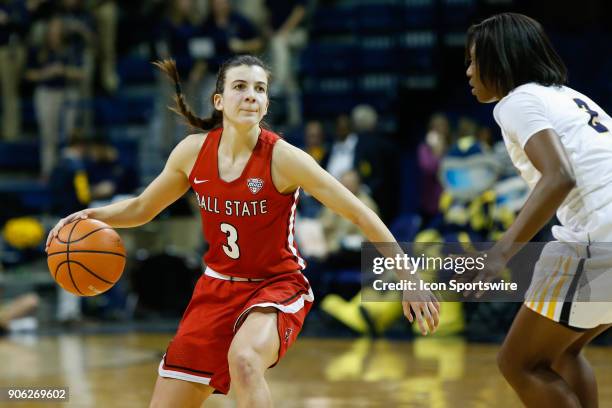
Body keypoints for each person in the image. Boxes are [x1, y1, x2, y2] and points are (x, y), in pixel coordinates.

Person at [46, 54, 439, 407]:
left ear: (266, 103)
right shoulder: (191, 153)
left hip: (276, 285)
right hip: (216, 289)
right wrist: (89, 216)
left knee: (246, 360)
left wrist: (408, 273)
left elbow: (359, 213)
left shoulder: (284, 158)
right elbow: (141, 208)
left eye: (260, 88)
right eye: (239, 86)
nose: (251, 94)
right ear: (218, 100)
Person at [466, 13, 612, 407]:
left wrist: (500, 254)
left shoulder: (518, 101)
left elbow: (558, 176)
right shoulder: (569, 96)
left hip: (601, 238)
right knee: (562, 353)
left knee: (519, 364)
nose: (469, 71)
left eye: (475, 60)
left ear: (501, 59)